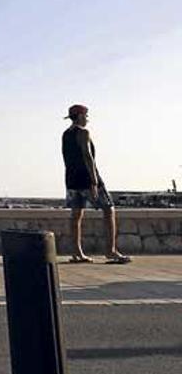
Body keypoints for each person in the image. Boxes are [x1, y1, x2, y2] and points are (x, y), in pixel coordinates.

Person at [62, 104, 131, 264]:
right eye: (85, 116)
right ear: (79, 116)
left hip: (72, 180)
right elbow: (87, 156)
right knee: (109, 209)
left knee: (76, 215)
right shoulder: (83, 133)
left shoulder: (65, 134)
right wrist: (93, 181)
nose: (87, 119)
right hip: (87, 178)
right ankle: (111, 251)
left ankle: (77, 253)